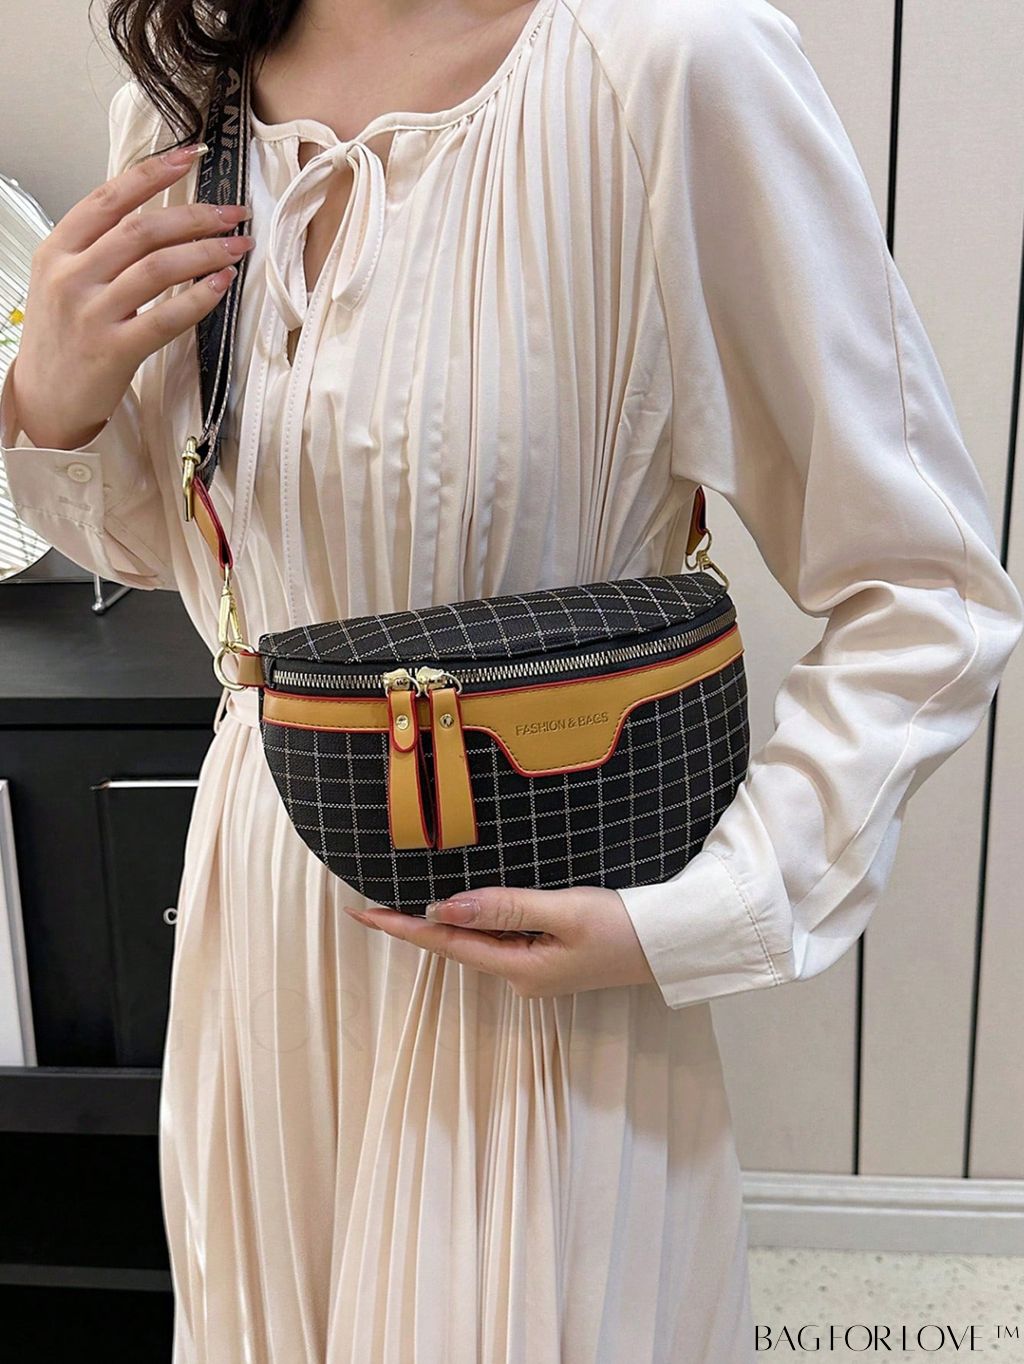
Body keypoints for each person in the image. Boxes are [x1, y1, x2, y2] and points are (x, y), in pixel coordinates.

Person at [2, 0, 1021, 1358]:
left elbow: (926, 589)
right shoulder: (187, 102)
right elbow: (173, 549)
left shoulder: (669, 67)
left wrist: (714, 907)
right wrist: (56, 395)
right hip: (268, 912)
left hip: (540, 937)